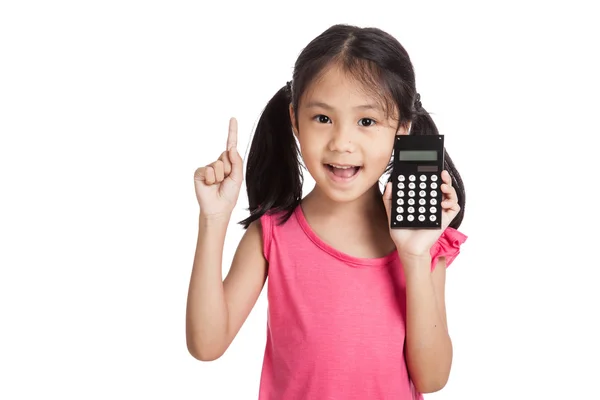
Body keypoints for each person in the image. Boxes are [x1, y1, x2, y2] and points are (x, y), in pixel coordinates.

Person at [186, 23, 468, 400]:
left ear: (402, 128)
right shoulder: (272, 235)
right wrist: (213, 219)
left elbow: (432, 378)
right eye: (323, 118)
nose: (342, 143)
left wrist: (414, 258)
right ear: (294, 121)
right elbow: (207, 345)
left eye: (366, 121)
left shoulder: (421, 241)